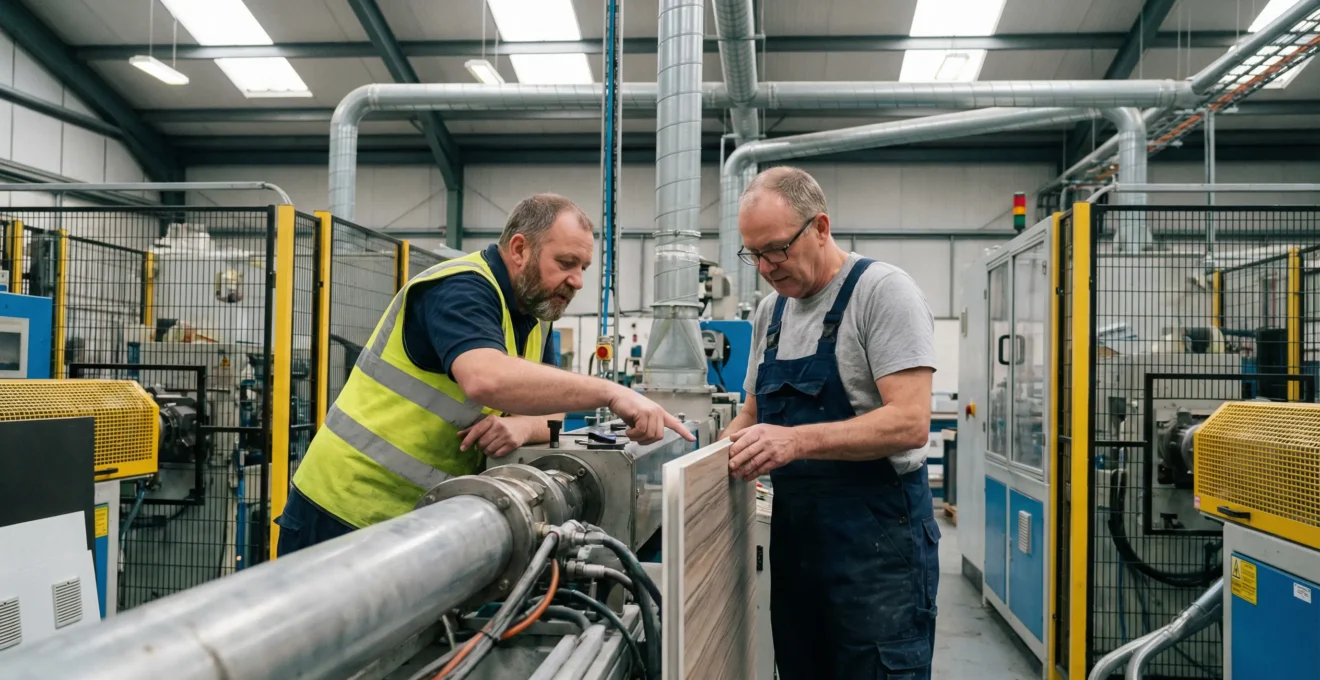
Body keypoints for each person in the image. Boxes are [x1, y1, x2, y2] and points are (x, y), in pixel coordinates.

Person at [281, 193, 692, 555]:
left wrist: (519, 429)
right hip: (342, 512)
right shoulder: (458, 289)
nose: (578, 281)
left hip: (422, 522)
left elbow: (552, 414)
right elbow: (485, 378)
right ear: (519, 249)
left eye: (583, 267)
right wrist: (610, 392)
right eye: (566, 263)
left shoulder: (535, 315)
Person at [721, 167, 940, 680]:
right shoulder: (770, 313)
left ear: (820, 227)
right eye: (753, 254)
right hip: (798, 544)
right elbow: (751, 415)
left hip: (879, 547)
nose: (766, 268)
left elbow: (910, 422)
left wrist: (796, 441)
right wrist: (699, 460)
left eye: (776, 249)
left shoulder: (882, 293)